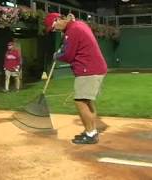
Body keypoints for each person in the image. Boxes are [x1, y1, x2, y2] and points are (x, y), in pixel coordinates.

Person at [44, 13, 108, 144]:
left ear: (58, 20)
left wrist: (57, 55)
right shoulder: (76, 26)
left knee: (80, 101)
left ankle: (90, 134)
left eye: (54, 26)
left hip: (88, 70)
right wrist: (63, 46)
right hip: (94, 68)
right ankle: (91, 131)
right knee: (87, 102)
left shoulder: (73, 30)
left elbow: (68, 55)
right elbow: (70, 47)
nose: (55, 30)